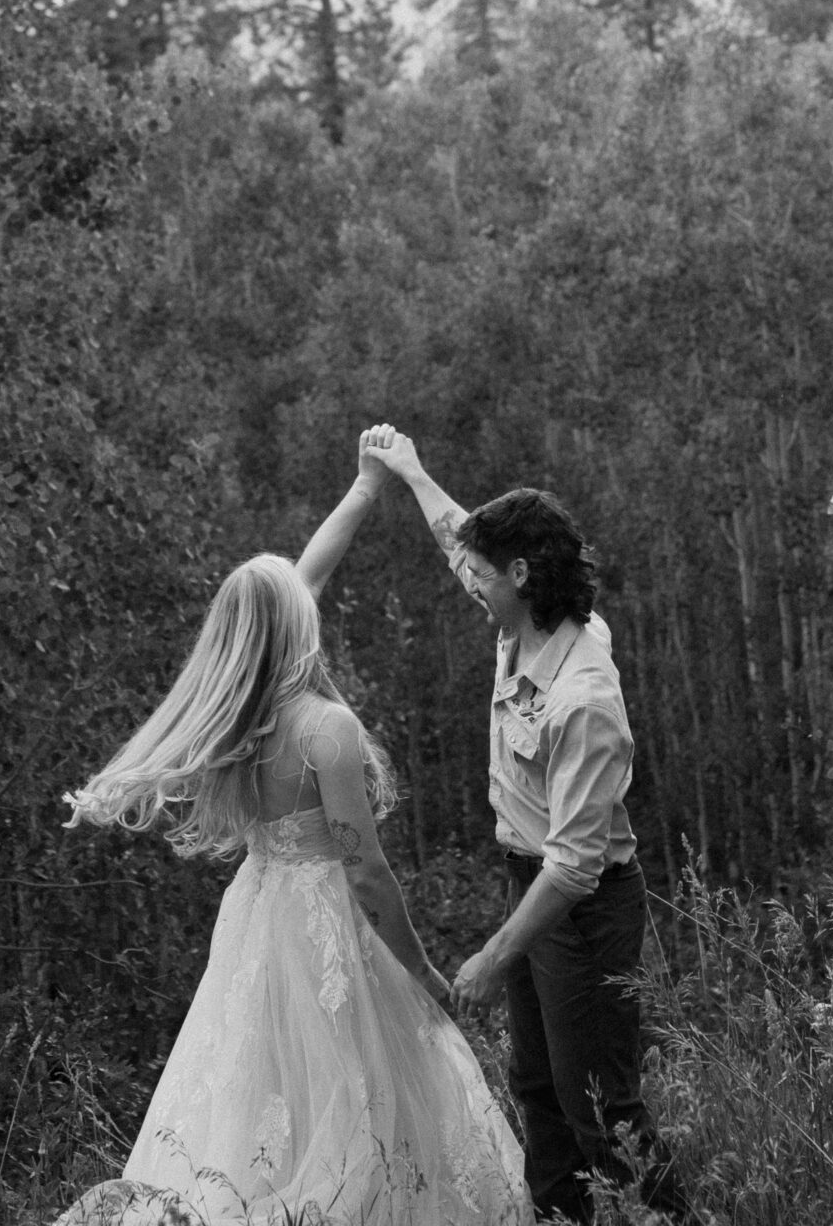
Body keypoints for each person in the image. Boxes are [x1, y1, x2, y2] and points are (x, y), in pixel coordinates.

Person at [52, 440, 530, 1226]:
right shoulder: (325, 728)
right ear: (293, 625)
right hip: (324, 927)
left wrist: (365, 490)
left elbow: (296, 582)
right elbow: (367, 874)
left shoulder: (248, 712)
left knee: (259, 1092)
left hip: (258, 913)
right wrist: (429, 980)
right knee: (352, 1099)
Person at [362, 425, 679, 1225]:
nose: (467, 580)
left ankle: (671, 1217)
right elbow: (462, 543)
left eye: (483, 572)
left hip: (583, 908)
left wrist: (494, 957)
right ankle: (559, 1217)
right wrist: (411, 471)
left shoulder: (585, 697)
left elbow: (574, 866)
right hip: (532, 884)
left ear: (524, 574)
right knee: (539, 1088)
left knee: (602, 1110)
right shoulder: (521, 625)